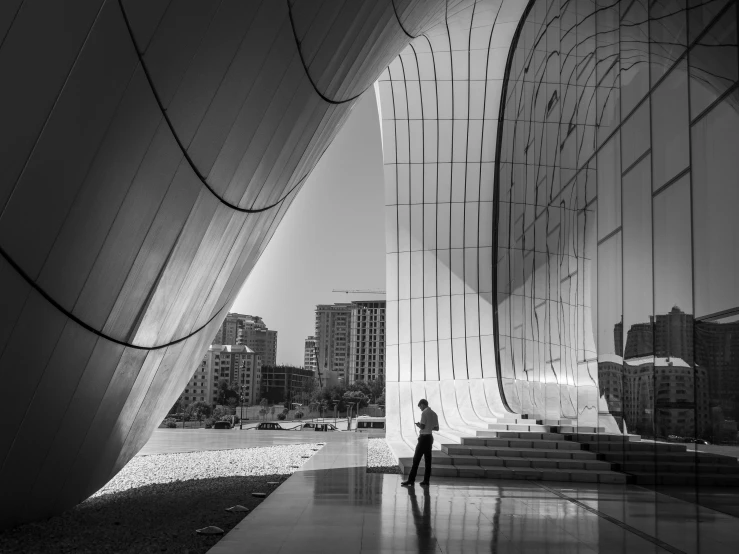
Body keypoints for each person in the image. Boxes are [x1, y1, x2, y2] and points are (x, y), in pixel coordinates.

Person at [401, 399, 439, 487]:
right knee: (428, 461)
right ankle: (426, 480)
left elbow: (422, 426)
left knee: (416, 460)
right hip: (430, 438)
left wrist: (419, 425)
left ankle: (411, 480)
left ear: (423, 405)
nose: (420, 409)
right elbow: (436, 428)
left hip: (423, 438)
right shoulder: (434, 414)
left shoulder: (424, 413)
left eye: (420, 407)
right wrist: (429, 427)